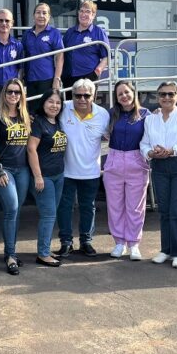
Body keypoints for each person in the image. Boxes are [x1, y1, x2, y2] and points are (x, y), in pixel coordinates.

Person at [141, 81, 177, 269]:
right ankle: (166, 250)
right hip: (159, 166)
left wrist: (171, 150)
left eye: (170, 94)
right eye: (163, 94)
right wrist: (150, 153)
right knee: (164, 210)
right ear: (157, 97)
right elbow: (144, 143)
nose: (166, 98)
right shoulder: (151, 119)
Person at [55, 79, 109, 257]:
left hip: (91, 171)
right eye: (78, 95)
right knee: (64, 207)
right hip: (66, 170)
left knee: (88, 207)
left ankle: (86, 241)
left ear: (93, 96)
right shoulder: (62, 108)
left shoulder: (103, 115)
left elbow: (113, 136)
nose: (82, 99)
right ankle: (66, 242)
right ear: (72, 95)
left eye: (87, 95)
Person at [103, 80, 150, 261]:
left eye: (127, 92)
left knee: (135, 206)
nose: (124, 96)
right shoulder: (111, 114)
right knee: (115, 205)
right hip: (114, 160)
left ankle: (134, 243)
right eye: (120, 94)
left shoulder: (145, 114)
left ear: (133, 92)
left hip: (136, 161)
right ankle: (119, 242)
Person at [0, 78, 31, 275]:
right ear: (4, 94)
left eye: (17, 92)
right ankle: (11, 255)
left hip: (22, 170)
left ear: (22, 95)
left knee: (15, 211)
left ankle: (10, 252)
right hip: (5, 169)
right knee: (11, 208)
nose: (13, 95)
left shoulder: (25, 117)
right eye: (10, 92)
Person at [27, 89, 67, 268]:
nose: (54, 105)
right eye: (50, 101)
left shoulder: (58, 122)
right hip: (45, 177)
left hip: (59, 175)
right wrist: (38, 176)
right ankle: (43, 254)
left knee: (51, 215)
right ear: (43, 103)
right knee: (48, 215)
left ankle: (45, 248)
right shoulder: (38, 123)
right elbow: (31, 149)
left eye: (58, 102)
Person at [22, 2, 64, 109]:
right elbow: (23, 55)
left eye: (44, 13)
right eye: (38, 13)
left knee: (45, 108)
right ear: (33, 16)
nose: (41, 16)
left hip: (47, 78)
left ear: (49, 17)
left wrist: (57, 78)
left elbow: (60, 56)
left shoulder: (54, 33)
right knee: (31, 109)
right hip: (30, 78)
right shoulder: (27, 34)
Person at [62, 0, 109, 95]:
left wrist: (97, 72)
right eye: (81, 11)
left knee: (87, 107)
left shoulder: (98, 32)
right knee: (70, 107)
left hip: (89, 77)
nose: (83, 14)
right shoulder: (70, 32)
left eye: (87, 11)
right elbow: (61, 54)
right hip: (69, 77)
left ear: (93, 15)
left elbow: (106, 56)